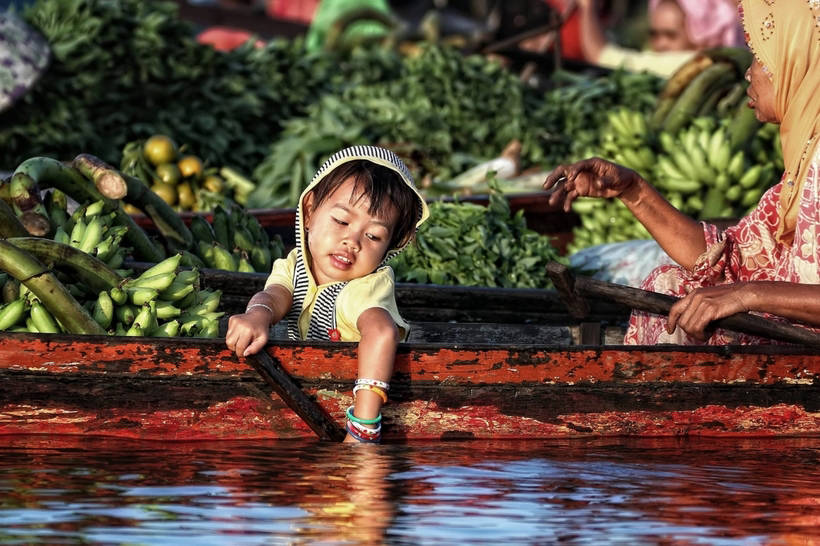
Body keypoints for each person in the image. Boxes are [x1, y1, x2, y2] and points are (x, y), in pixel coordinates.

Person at [543, 0, 820, 345]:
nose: (749, 72)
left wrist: (747, 295)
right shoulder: (805, 160)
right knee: (671, 285)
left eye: (761, 57)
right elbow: (728, 261)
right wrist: (633, 190)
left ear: (796, 61)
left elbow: (744, 285)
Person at [225, 145, 429, 442]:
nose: (352, 241)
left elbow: (382, 334)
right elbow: (276, 294)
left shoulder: (364, 288)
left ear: (391, 245)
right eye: (341, 221)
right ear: (309, 212)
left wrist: (363, 426)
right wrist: (258, 315)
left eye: (373, 236)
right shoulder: (298, 264)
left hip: (356, 411)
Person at [576, 0, 744, 77]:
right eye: (654, 34)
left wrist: (587, 7)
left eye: (671, 35)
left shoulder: (696, 64)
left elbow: (602, 57)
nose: (661, 44)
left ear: (702, 34)